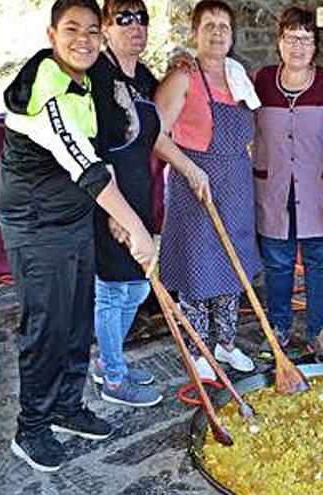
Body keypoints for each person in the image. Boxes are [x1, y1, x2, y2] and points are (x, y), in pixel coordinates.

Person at [0, 0, 157, 472]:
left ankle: (67, 406)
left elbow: (95, 151)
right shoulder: (46, 87)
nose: (83, 39)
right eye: (72, 29)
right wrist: (135, 228)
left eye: (91, 30)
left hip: (72, 215)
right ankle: (32, 428)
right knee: (46, 325)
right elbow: (83, 166)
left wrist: (110, 215)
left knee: (76, 319)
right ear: (52, 34)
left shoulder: (88, 81)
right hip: (34, 221)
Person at [88, 0, 210, 408]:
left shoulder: (140, 76)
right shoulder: (98, 78)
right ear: (106, 27)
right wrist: (114, 214)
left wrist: (191, 169)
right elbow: (96, 150)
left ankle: (110, 361)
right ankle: (114, 379)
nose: (134, 26)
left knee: (138, 288)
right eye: (123, 19)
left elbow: (155, 134)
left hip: (141, 195)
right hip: (109, 198)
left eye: (141, 18)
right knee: (113, 290)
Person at [155, 0, 261, 381]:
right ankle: (198, 351)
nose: (217, 33)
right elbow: (154, 133)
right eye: (209, 26)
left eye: (224, 27)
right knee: (196, 270)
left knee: (232, 268)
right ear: (195, 33)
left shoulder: (237, 76)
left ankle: (226, 345)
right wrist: (190, 169)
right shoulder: (183, 78)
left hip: (234, 186)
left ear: (231, 36)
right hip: (194, 185)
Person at [253, 5, 323, 360]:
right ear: (279, 43)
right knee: (277, 263)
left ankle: (318, 331)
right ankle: (278, 328)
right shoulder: (260, 80)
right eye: (291, 38)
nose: (298, 46)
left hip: (317, 189)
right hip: (273, 189)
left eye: (306, 39)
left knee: (320, 263)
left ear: (316, 45)